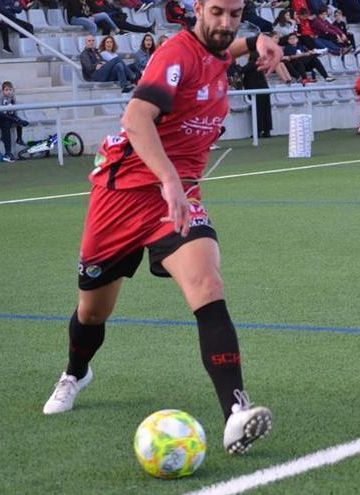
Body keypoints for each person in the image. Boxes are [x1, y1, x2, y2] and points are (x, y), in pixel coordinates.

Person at [41, 0, 283, 456]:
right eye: (217, 12)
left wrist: (256, 41)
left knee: (207, 283)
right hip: (121, 196)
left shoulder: (217, 51)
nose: (225, 23)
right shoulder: (175, 53)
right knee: (92, 313)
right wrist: (167, 178)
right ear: (197, 8)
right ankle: (75, 372)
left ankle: (236, 413)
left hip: (178, 198)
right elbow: (136, 119)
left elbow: (224, 50)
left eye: (235, 15)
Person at [0, 81, 27, 146]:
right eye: (6, 90)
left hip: (11, 114)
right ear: (3, 91)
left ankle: (19, 138)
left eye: (10, 90)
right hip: (3, 115)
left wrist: (17, 116)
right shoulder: (1, 97)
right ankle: (4, 136)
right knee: (8, 122)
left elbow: (15, 108)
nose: (8, 92)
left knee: (19, 122)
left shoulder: (13, 97)